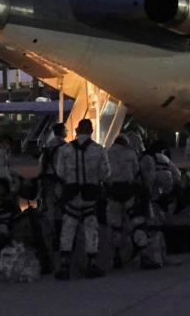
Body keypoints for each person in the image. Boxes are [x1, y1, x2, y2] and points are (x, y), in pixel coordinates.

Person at [54, 118, 110, 279]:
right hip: (90, 195)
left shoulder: (65, 150)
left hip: (71, 194)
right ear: (91, 131)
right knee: (91, 229)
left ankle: (64, 265)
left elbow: (60, 172)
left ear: (77, 130)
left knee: (68, 228)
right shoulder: (99, 150)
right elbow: (105, 173)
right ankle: (91, 264)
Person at [105, 135, 142, 268]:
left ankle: (116, 254)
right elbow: (136, 170)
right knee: (134, 222)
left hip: (113, 191)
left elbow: (104, 173)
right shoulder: (130, 152)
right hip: (128, 190)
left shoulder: (107, 153)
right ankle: (138, 250)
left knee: (115, 225)